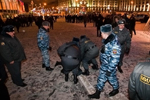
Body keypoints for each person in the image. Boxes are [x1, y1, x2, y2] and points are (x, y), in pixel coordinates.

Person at [88, 24, 121, 99]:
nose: (101, 34)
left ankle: (116, 89)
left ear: (105, 34)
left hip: (110, 66)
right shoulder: (108, 40)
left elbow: (115, 59)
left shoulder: (114, 44)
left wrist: (109, 70)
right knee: (101, 78)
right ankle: (98, 93)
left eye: (101, 33)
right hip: (105, 64)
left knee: (111, 78)